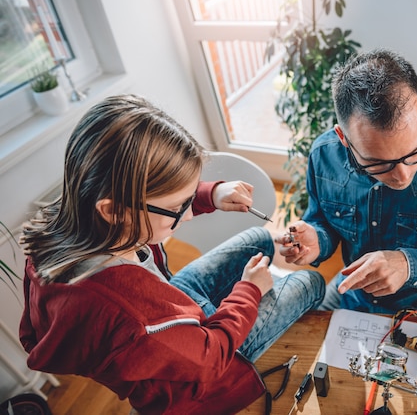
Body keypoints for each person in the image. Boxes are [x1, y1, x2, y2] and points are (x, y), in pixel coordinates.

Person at [19, 94, 325, 415]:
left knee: (259, 238)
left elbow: (154, 198)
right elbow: (210, 358)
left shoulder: (75, 224)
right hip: (204, 367)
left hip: (173, 311)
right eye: (179, 207)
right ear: (115, 211)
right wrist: (249, 291)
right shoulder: (130, 319)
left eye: (188, 199)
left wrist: (210, 193)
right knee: (310, 281)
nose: (189, 215)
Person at [275, 49, 417, 318]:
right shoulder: (324, 155)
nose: (403, 176)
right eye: (378, 163)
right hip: (353, 296)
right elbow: (322, 222)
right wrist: (317, 239)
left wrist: (411, 265)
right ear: (343, 138)